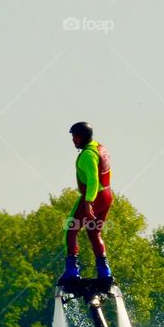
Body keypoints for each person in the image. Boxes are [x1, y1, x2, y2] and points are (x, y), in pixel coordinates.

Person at [60, 121, 113, 283]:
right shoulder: (100, 148)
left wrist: (89, 202)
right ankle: (104, 271)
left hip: (94, 196)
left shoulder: (87, 155)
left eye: (75, 137)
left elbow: (93, 180)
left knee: (70, 229)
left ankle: (72, 270)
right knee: (94, 233)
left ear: (83, 137)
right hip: (107, 195)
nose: (73, 140)